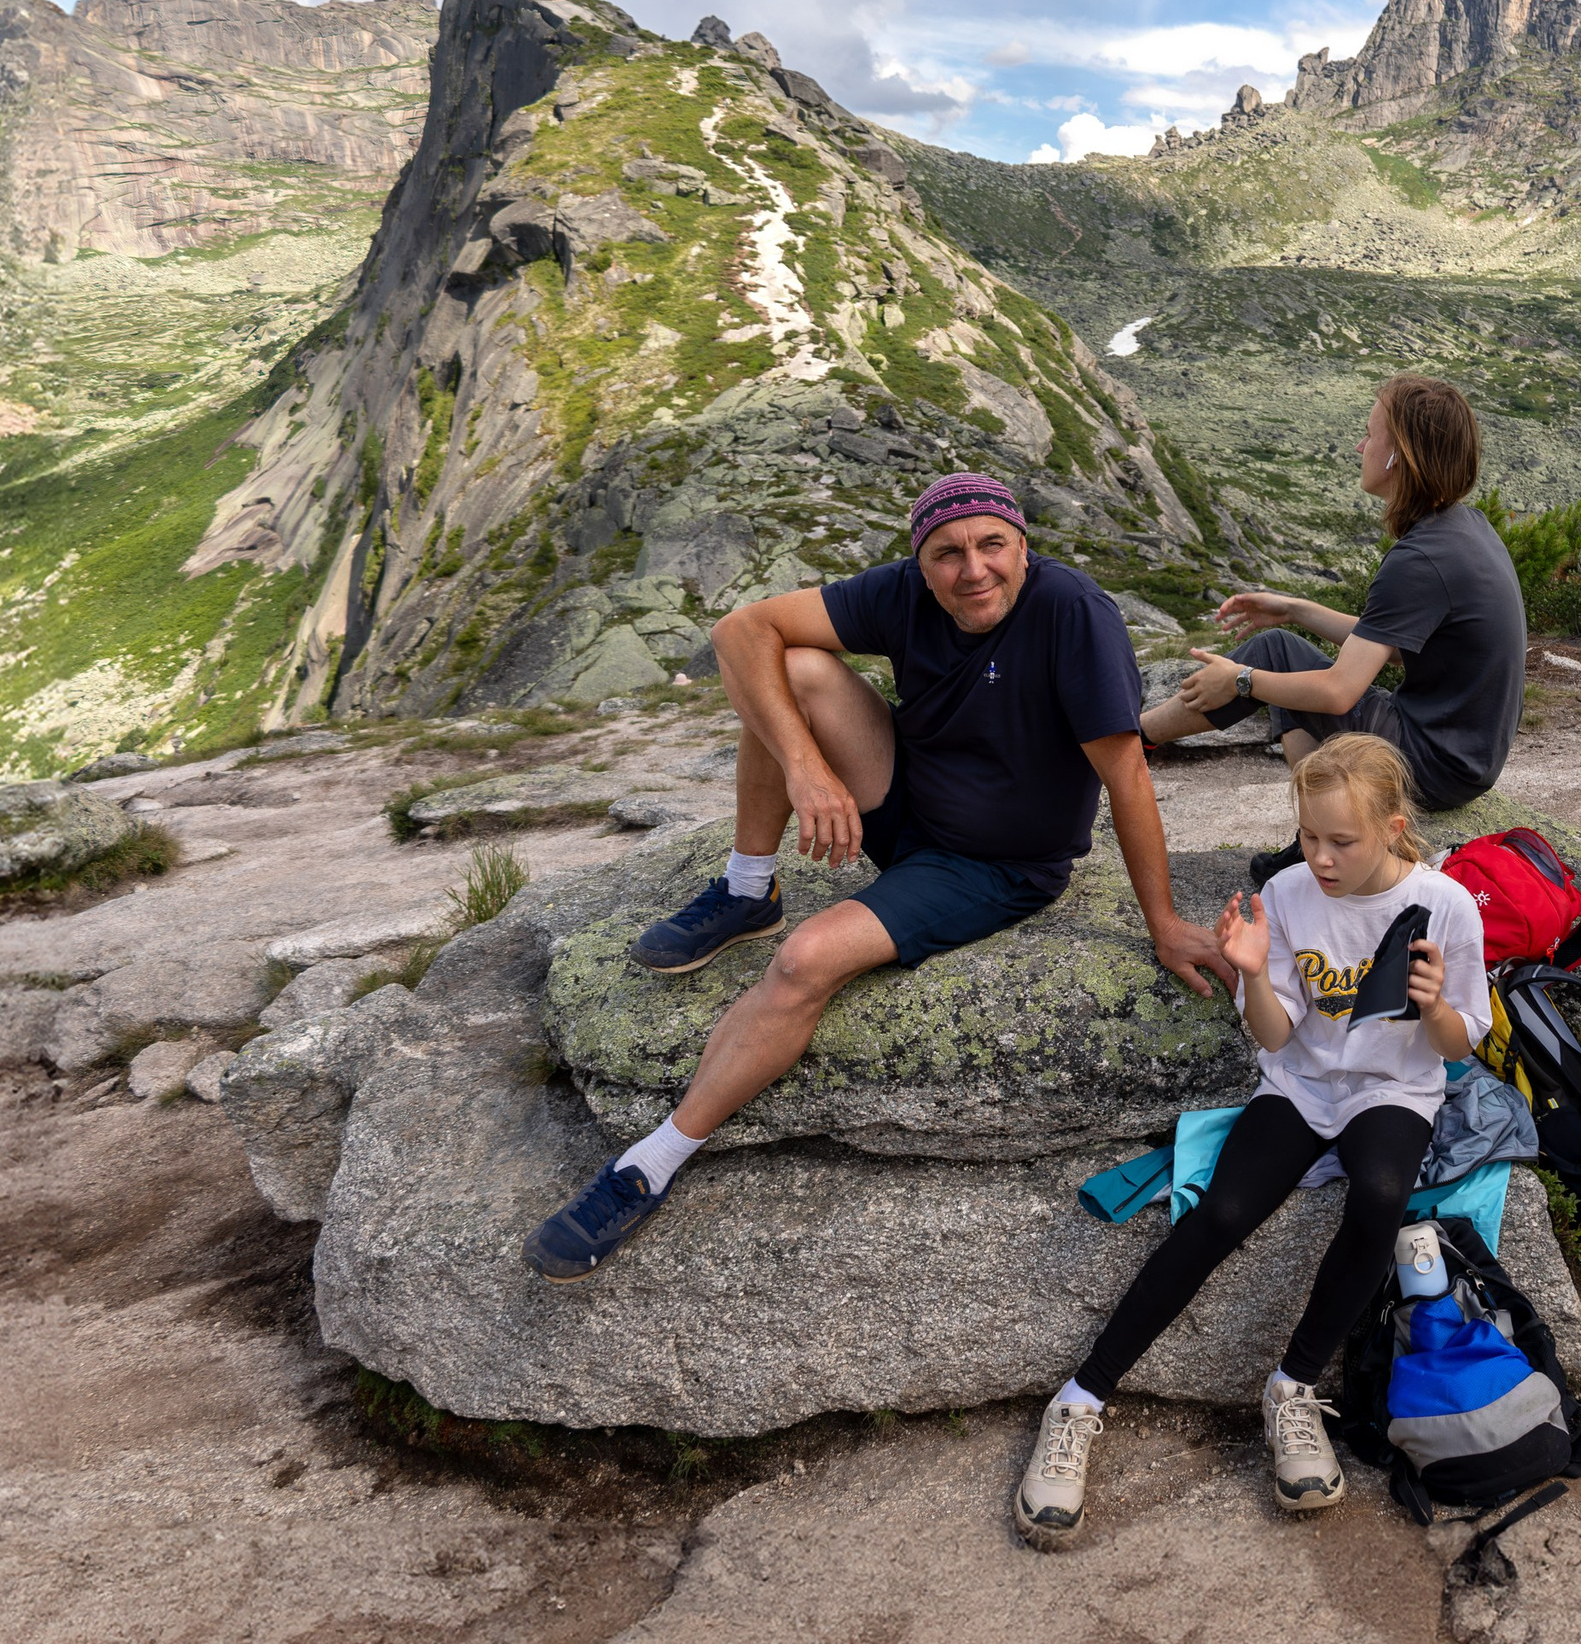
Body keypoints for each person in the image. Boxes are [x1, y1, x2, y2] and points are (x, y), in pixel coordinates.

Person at [522, 471, 1229, 1281]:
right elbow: (738, 629)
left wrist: (1164, 922)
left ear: (1023, 548)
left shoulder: (1072, 614)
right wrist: (805, 771)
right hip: (906, 801)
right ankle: (749, 887)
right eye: (948, 553)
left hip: (993, 867)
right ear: (920, 565)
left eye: (993, 545)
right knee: (787, 674)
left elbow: (1128, 775)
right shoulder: (904, 593)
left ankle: (648, 1164)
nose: (974, 569)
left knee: (803, 961)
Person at [1014, 733, 1490, 1545]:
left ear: (1393, 826)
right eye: (1309, 835)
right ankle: (1081, 1398)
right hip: (1302, 1084)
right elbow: (1276, 1039)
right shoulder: (1292, 891)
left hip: (1392, 1086)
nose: (1322, 856)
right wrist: (1253, 971)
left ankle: (1293, 1386)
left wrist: (1437, 1005)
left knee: (1380, 1193)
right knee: (1224, 1209)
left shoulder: (1444, 905)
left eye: (1342, 840)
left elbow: (1458, 1045)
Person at [1140, 375, 1526, 884]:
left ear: (1400, 454)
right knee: (1280, 648)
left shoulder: (1420, 559)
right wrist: (1296, 609)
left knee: (1273, 659)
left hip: (1435, 766)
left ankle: (1129, 739)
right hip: (1466, 754)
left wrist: (1239, 679)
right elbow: (1387, 648)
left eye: (1371, 434)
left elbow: (1341, 691)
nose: (1360, 445)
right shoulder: (1462, 527)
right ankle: (1314, 832)